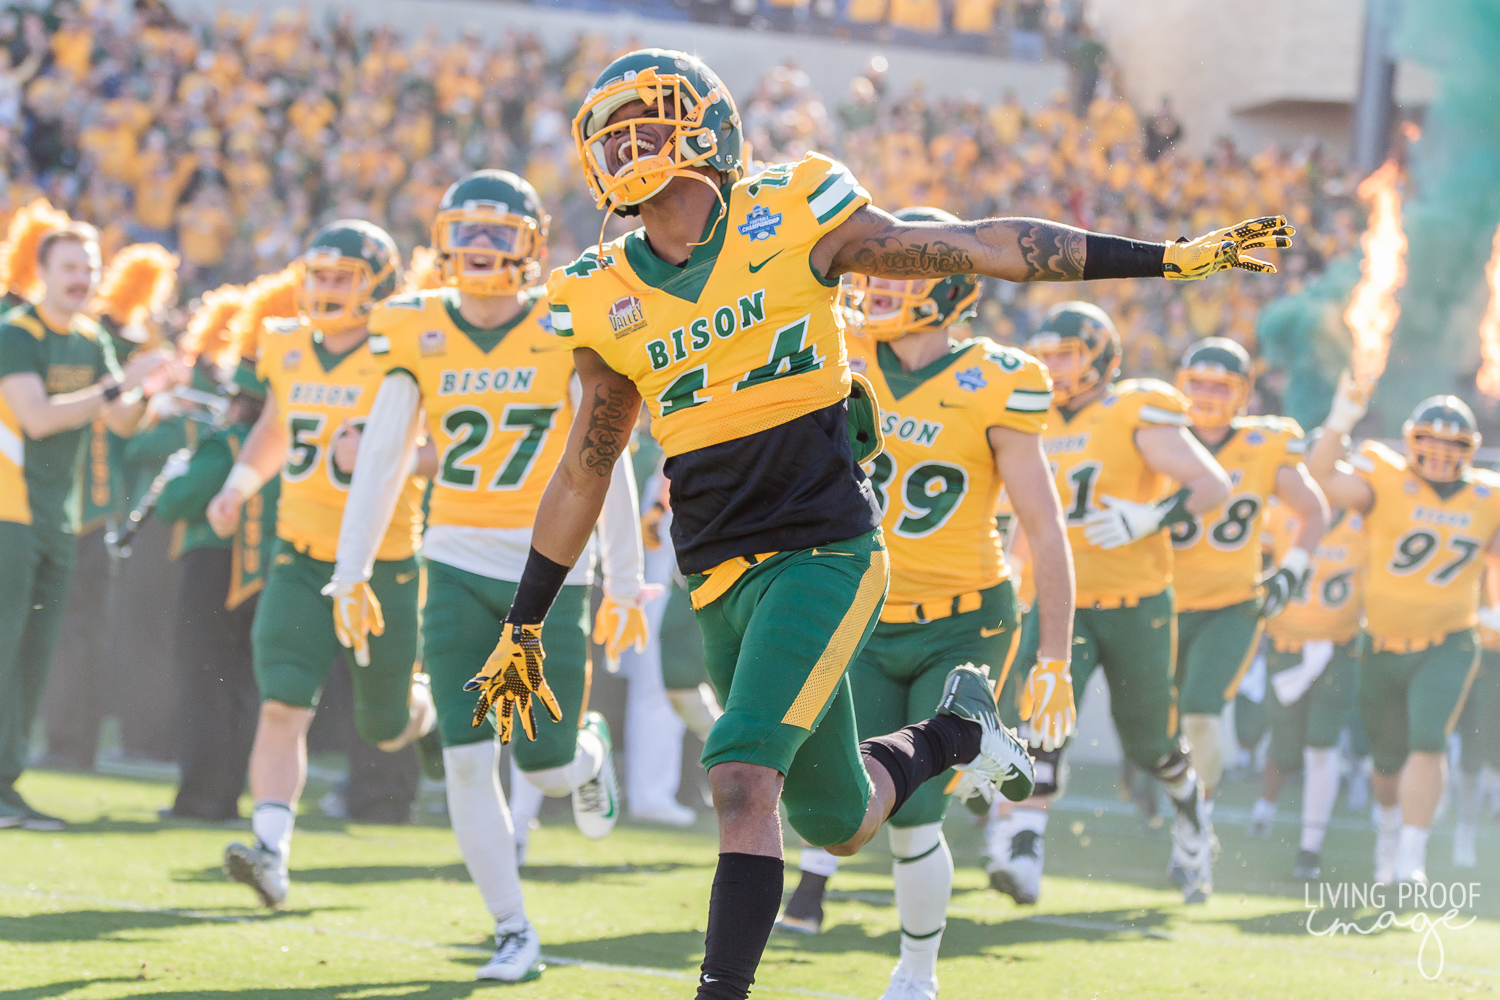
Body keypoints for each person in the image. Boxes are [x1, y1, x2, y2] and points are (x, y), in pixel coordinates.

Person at [469, 48, 1288, 1000]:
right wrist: (526, 618)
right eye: (612, 137)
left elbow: (983, 245)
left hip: (825, 546)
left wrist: (1166, 259)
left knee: (739, 781)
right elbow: (586, 463)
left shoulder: (794, 211)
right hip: (718, 571)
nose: (627, 149)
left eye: (647, 126)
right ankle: (954, 736)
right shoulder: (597, 289)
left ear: (707, 130)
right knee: (839, 819)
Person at [326, 171, 648, 982]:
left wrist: (621, 578)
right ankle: (512, 927)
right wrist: (352, 566)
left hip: (549, 570)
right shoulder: (416, 326)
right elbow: (385, 459)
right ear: (439, 236)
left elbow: (604, 454)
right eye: (467, 230)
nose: (479, 248)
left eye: (499, 233)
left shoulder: (564, 319)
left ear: (533, 243)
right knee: (469, 759)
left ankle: (586, 756)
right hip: (455, 559)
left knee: (541, 764)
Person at [774, 207, 1074, 1000]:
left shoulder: (996, 379)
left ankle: (917, 975)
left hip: (963, 622)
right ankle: (975, 741)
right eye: (876, 270)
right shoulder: (837, 353)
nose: (875, 285)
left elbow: (1044, 527)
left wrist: (1054, 657)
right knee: (840, 817)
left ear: (946, 290)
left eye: (899, 272)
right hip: (864, 614)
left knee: (912, 821)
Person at [203, 222, 437, 907]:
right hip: (300, 557)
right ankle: (271, 852)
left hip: (382, 561)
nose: (327, 290)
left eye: (343, 278)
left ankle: (433, 716)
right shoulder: (286, 343)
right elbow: (277, 427)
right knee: (281, 703)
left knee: (383, 724)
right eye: (320, 276)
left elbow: (447, 445)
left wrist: (385, 453)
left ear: (379, 283)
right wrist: (238, 486)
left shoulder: (405, 347)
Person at [989, 302, 1233, 906]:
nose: (1053, 367)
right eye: (1045, 354)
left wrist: (1152, 514)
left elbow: (1214, 486)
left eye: (1066, 354)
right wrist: (1009, 576)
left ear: (1101, 356)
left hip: (1136, 601)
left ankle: (1192, 811)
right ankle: (1025, 850)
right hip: (1059, 600)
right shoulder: (1030, 413)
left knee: (1151, 745)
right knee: (1040, 721)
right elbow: (1028, 513)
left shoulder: (1133, 408)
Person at [0, 222, 184, 829]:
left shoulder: (89, 338)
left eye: (89, 268)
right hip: (9, 515)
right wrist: (118, 384)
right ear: (42, 272)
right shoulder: (15, 333)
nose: (81, 280)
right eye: (69, 269)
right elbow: (35, 417)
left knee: (33, 657)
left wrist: (153, 390)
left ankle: (8, 783)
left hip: (60, 520)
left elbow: (123, 422)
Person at [1309, 378, 1500, 885]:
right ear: (1412, 440)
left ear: (1470, 450)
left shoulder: (1489, 495)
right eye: (1430, 442)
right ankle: (1390, 833)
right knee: (1386, 760)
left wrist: (1496, 608)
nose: (1439, 454)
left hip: (1450, 639)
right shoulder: (1385, 476)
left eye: (1452, 445)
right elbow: (1321, 475)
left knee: (1429, 740)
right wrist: (1340, 421)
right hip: (1383, 641)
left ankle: (1413, 856)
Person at [1168, 337, 1328, 856]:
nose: (1209, 396)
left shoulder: (1264, 443)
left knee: (1200, 712)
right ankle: (1188, 813)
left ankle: (1196, 824)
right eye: (1200, 384)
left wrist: (1291, 570)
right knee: (1161, 728)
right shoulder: (1158, 436)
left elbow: (1314, 510)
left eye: (1222, 386)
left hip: (1231, 603)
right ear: (1181, 386)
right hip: (1158, 601)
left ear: (1243, 394)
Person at [156, 290, 279, 823]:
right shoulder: (280, 444)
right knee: (241, 690)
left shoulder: (226, 442)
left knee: (203, 684)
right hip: (262, 576)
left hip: (211, 570)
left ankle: (201, 795)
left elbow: (174, 502)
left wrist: (180, 468)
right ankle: (228, 794)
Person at [1249, 490, 1365, 881]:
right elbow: (1256, 568)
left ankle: (1309, 847)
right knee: (1283, 749)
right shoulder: (1281, 514)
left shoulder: (1364, 523)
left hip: (1337, 649)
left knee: (1321, 743)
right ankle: (1265, 808)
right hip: (1286, 648)